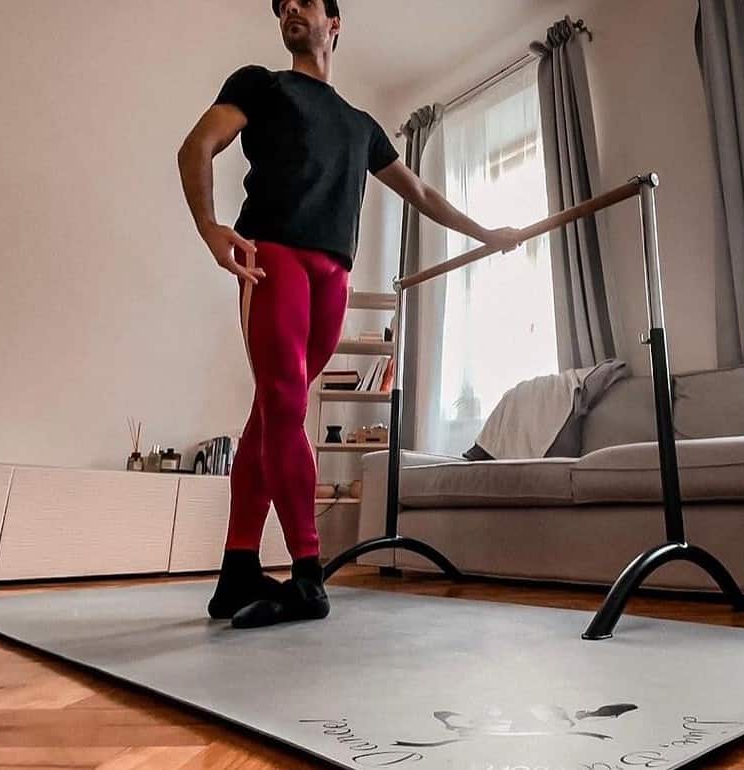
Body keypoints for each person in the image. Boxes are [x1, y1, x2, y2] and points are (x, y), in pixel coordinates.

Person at [177, 0, 523, 629]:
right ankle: (309, 573)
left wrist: (483, 234)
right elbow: (196, 147)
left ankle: (236, 569)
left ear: (334, 22)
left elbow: (418, 191)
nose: (290, 10)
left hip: (333, 275)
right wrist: (210, 227)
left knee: (270, 412)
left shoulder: (361, 124)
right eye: (281, 6)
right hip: (272, 258)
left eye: (304, 1)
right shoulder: (260, 84)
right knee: (285, 406)